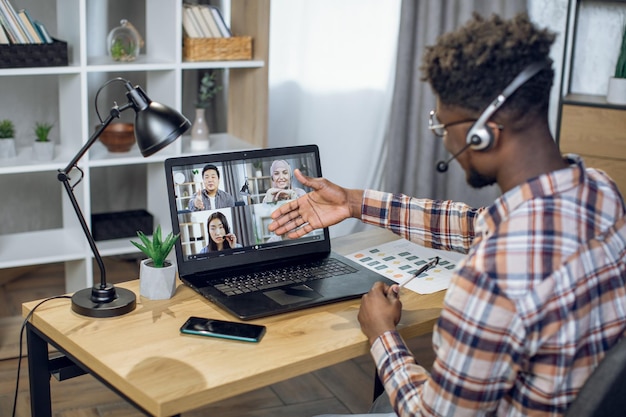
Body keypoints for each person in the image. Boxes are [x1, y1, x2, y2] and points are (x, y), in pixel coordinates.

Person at [269, 13, 626, 417]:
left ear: (482, 132)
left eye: (443, 126)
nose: (444, 138)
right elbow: (474, 223)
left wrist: (382, 333)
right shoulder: (600, 190)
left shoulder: (493, 274)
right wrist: (353, 202)